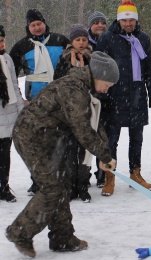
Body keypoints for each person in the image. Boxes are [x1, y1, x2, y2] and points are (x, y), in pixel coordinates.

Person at [6, 51, 119, 258]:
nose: (108, 88)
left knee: (61, 184)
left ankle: (62, 238)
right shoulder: (74, 90)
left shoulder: (84, 87)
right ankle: (20, 232)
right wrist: (104, 157)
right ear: (99, 75)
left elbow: (94, 124)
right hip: (31, 136)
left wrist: (106, 155)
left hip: (49, 138)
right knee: (52, 188)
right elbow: (83, 130)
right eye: (108, 83)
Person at [96, 0, 151, 196]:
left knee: (136, 139)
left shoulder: (144, 39)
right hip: (114, 96)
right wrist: (102, 95)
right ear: (119, 20)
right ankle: (109, 177)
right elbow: (99, 67)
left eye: (131, 19)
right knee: (111, 140)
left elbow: (149, 67)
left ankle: (135, 173)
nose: (128, 24)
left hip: (137, 95)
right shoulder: (107, 38)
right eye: (125, 20)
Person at [9, 9, 69, 196]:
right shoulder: (21, 47)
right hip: (35, 102)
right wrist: (21, 99)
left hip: (59, 99)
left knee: (59, 140)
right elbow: (11, 74)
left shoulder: (60, 41)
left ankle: (61, 179)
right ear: (28, 27)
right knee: (38, 143)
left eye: (39, 23)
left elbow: (72, 66)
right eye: (32, 25)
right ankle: (38, 181)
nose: (36, 27)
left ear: (44, 23)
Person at [54, 24, 93, 203]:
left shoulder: (92, 58)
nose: (81, 43)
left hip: (86, 110)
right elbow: (57, 81)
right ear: (72, 42)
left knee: (84, 151)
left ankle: (83, 186)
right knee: (69, 151)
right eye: (78, 40)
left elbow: (96, 81)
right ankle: (71, 187)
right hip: (68, 111)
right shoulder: (63, 59)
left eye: (84, 39)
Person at [0, 25, 24, 203]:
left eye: (2, 40)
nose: (1, 44)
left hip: (8, 112)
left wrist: (20, 109)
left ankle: (4, 186)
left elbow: (15, 85)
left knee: (5, 154)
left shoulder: (7, 59)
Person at [87, 11, 108, 188]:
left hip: (106, 98)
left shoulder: (109, 41)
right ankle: (82, 174)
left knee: (104, 137)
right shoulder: (83, 43)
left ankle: (102, 174)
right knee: (85, 136)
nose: (100, 25)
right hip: (86, 98)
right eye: (96, 23)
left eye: (103, 22)